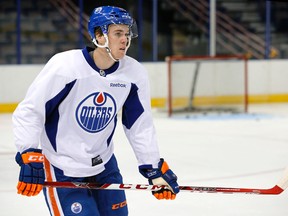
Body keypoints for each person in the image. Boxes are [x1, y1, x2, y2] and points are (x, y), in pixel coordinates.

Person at [12, 5, 179, 216]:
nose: (125, 40)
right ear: (99, 35)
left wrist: (153, 167)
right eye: (117, 33)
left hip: (104, 166)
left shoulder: (134, 73)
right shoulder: (66, 66)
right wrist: (28, 152)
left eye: (127, 33)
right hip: (62, 167)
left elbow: (139, 125)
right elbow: (30, 111)